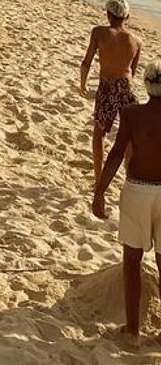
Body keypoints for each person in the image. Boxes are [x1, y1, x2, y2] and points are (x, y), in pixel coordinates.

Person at [92, 59, 161, 348]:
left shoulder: (131, 113)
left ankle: (132, 331)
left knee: (132, 262)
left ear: (146, 84)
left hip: (137, 191)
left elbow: (117, 153)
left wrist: (99, 191)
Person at [81, 0, 141, 184]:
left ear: (108, 15)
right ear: (127, 16)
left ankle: (99, 177)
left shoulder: (99, 32)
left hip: (107, 86)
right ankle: (131, 176)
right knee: (130, 136)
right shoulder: (137, 41)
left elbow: (86, 62)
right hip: (126, 87)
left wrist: (82, 84)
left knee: (99, 133)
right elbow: (133, 71)